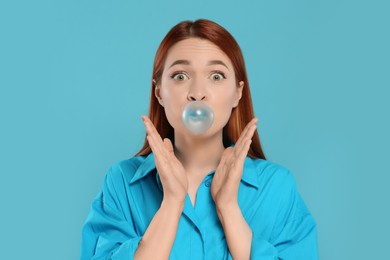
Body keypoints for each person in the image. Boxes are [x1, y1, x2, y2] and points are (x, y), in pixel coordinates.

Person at [80, 19, 318, 259]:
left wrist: (229, 210)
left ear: (238, 92)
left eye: (216, 76)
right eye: (180, 76)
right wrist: (171, 204)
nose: (197, 93)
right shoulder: (121, 183)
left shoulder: (277, 187)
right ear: (159, 92)